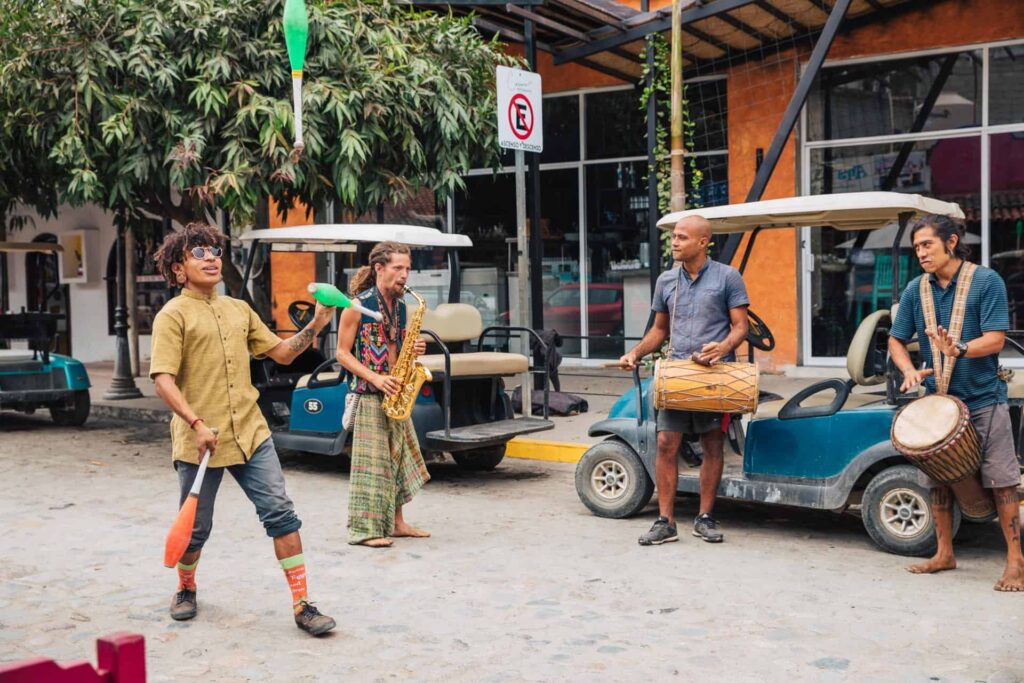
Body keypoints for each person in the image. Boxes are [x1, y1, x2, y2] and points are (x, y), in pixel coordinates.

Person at [150, 222, 337, 635]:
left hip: (251, 433)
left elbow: (284, 354)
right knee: (196, 529)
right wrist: (197, 423)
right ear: (179, 269)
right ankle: (185, 587)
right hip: (202, 442)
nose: (211, 257)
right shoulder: (172, 316)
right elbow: (162, 379)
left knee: (281, 514)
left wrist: (319, 322)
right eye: (198, 252)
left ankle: (303, 604)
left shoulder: (238, 309)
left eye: (215, 250)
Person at [888, 214, 1024, 591]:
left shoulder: (986, 281)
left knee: (1002, 480)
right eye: (916, 247)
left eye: (927, 244)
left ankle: (1016, 561)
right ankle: (944, 553)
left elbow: (995, 340)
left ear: (950, 242)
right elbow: (896, 340)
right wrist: (909, 370)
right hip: (939, 402)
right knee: (938, 480)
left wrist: (960, 348)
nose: (921, 253)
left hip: (984, 398)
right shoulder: (917, 289)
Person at [619, 216, 749, 546]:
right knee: (665, 443)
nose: (674, 242)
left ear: (703, 242)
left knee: (712, 444)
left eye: (682, 237)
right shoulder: (666, 281)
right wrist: (636, 352)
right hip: (675, 375)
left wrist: (722, 348)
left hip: (714, 377)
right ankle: (665, 521)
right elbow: (660, 331)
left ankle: (705, 517)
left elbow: (740, 327)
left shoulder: (728, 277)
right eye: (673, 237)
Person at [336, 241, 431, 548]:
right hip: (369, 393)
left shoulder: (402, 307)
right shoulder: (357, 307)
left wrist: (413, 348)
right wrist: (375, 378)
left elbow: (396, 348)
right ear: (379, 268)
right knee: (372, 466)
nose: (405, 274)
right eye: (398, 268)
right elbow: (341, 354)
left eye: (407, 268)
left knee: (400, 458)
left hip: (396, 391)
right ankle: (364, 530)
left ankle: (397, 522)